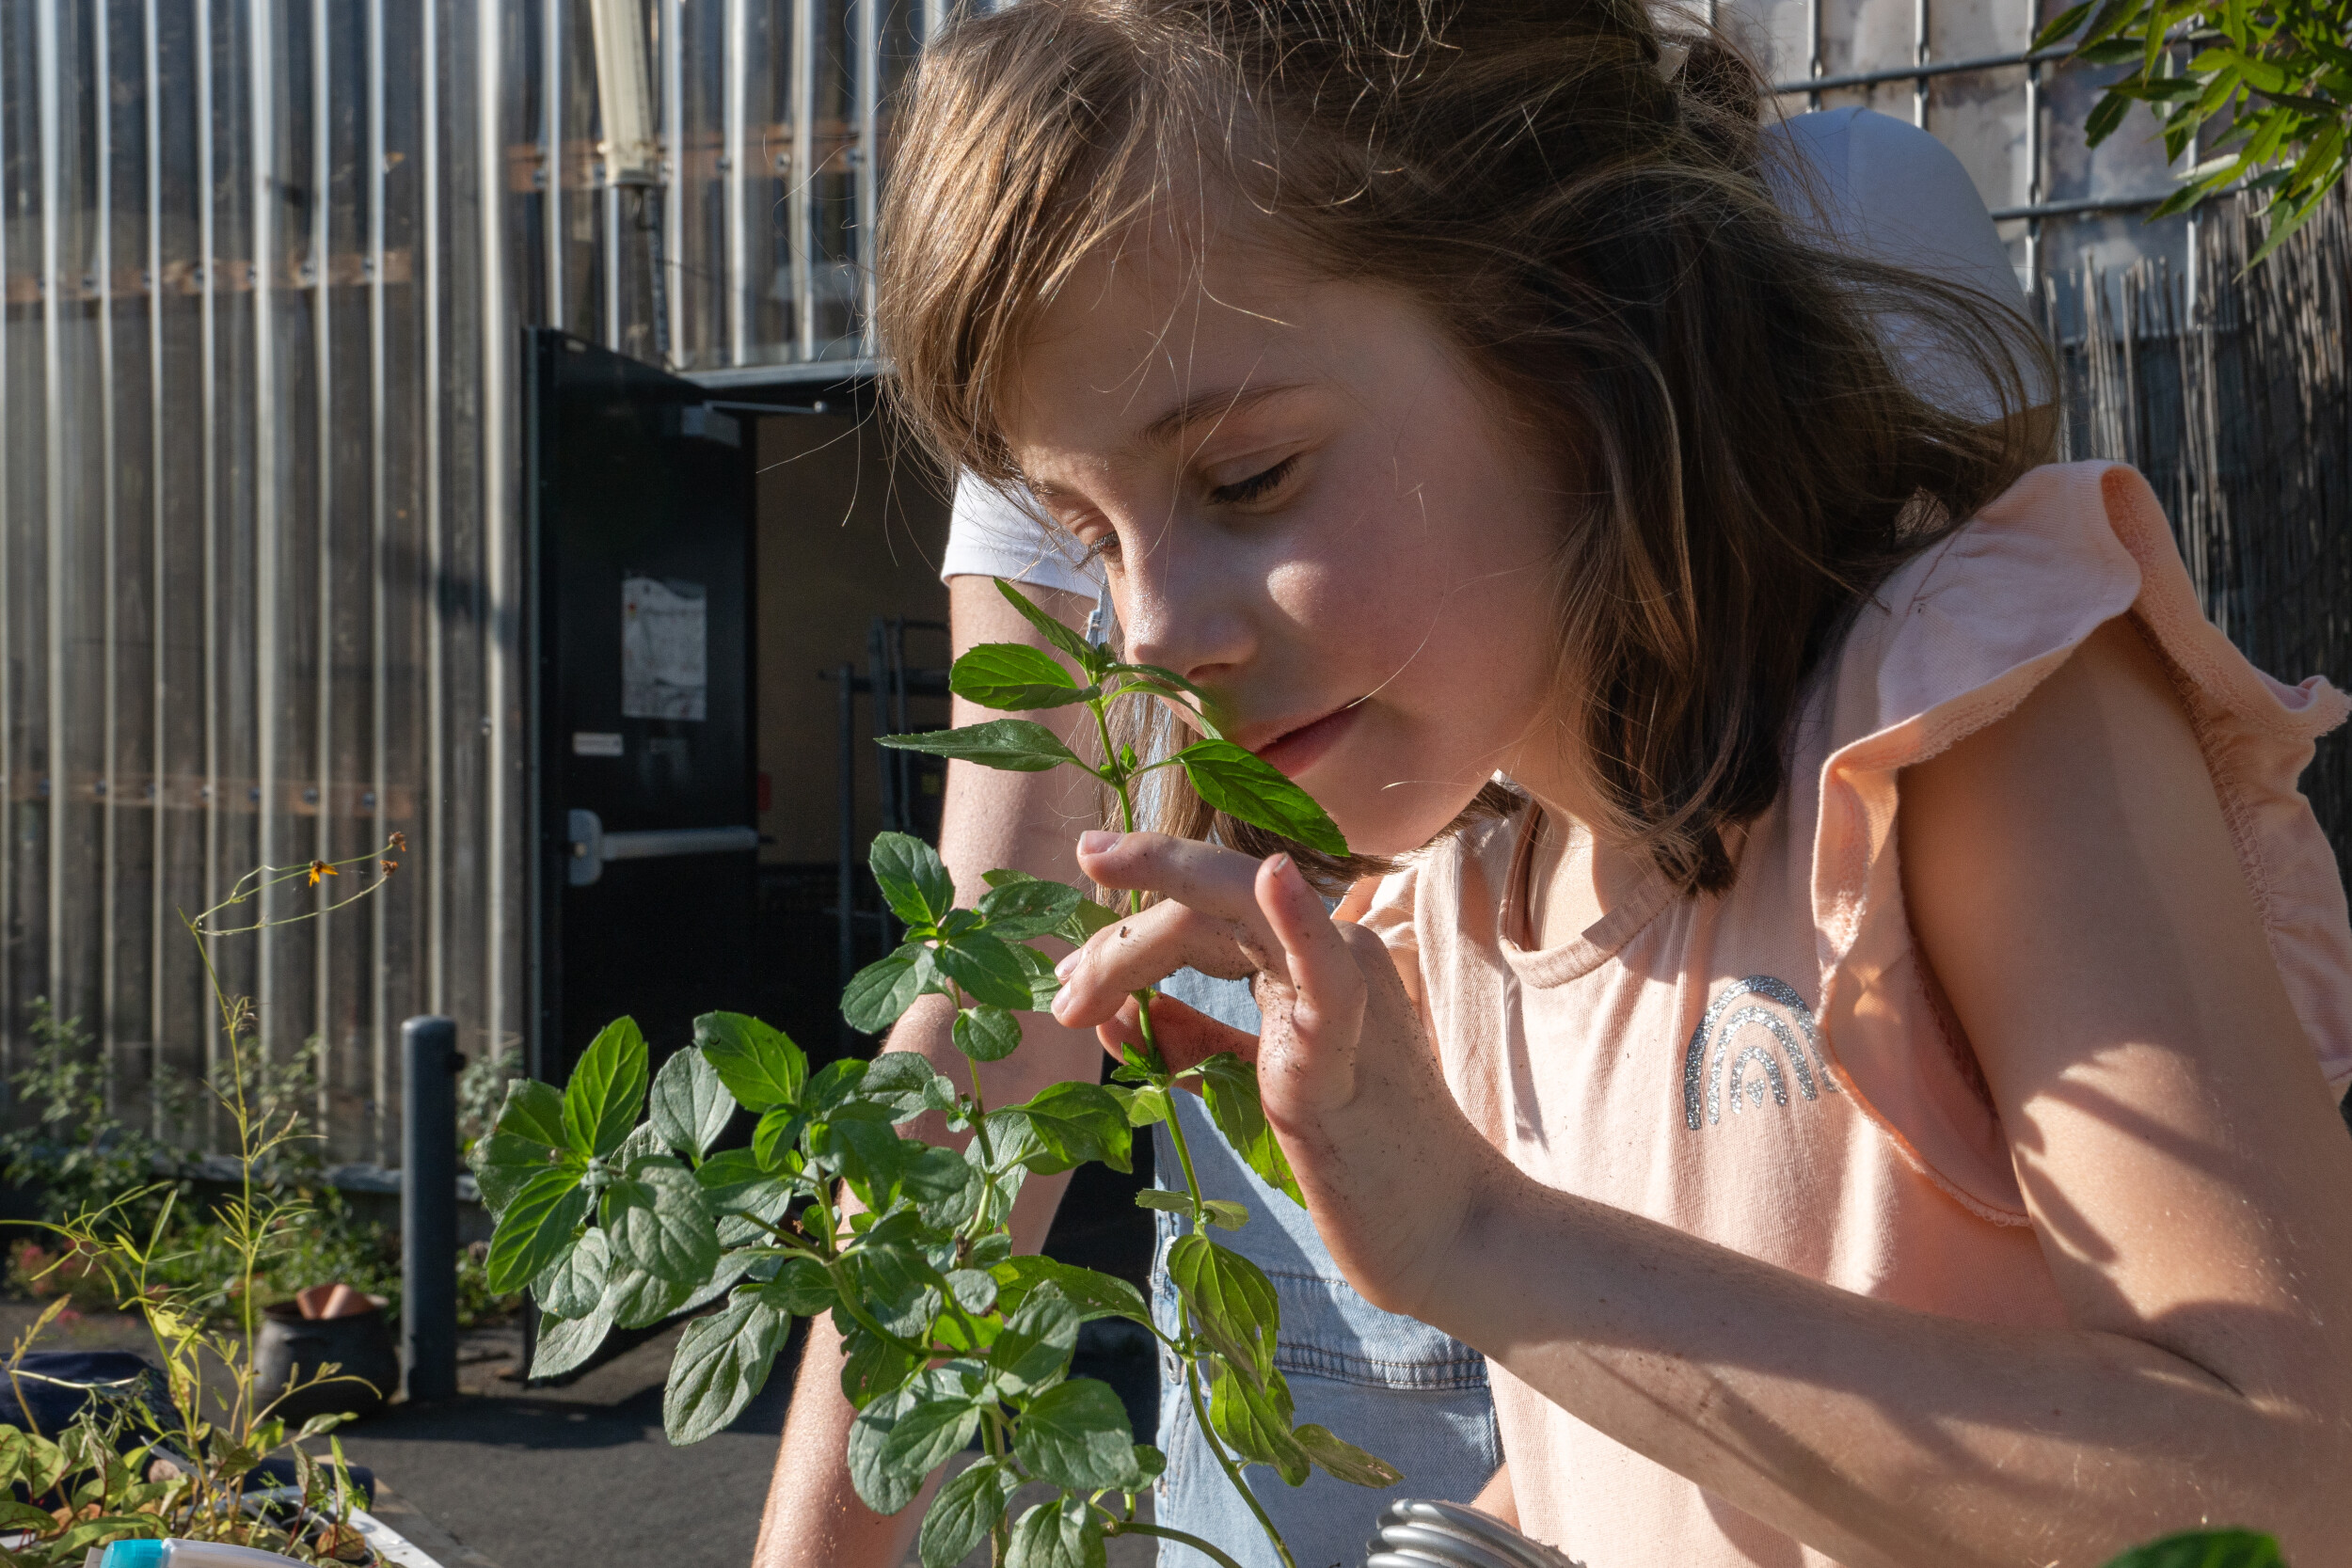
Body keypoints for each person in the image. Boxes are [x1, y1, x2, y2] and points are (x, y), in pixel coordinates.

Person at [810, 1, 2352, 1565]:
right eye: (1088, 538)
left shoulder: (1968, 718)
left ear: (1565, 316)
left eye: (1247, 478)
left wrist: (1479, 1239)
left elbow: (2294, 1489)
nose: (1151, 636)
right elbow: (1693, 1471)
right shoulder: (1477, 904)